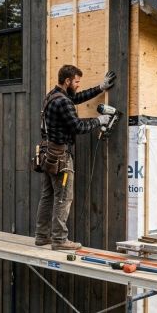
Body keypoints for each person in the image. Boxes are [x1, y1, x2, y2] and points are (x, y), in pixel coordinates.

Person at [34, 65, 115, 250]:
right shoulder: (63, 102)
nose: (78, 85)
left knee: (47, 196)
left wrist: (100, 88)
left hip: (48, 154)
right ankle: (60, 240)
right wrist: (98, 121)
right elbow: (77, 127)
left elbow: (76, 98)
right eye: (76, 82)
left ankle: (41, 236)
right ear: (68, 81)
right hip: (60, 157)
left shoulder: (52, 96)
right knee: (63, 197)